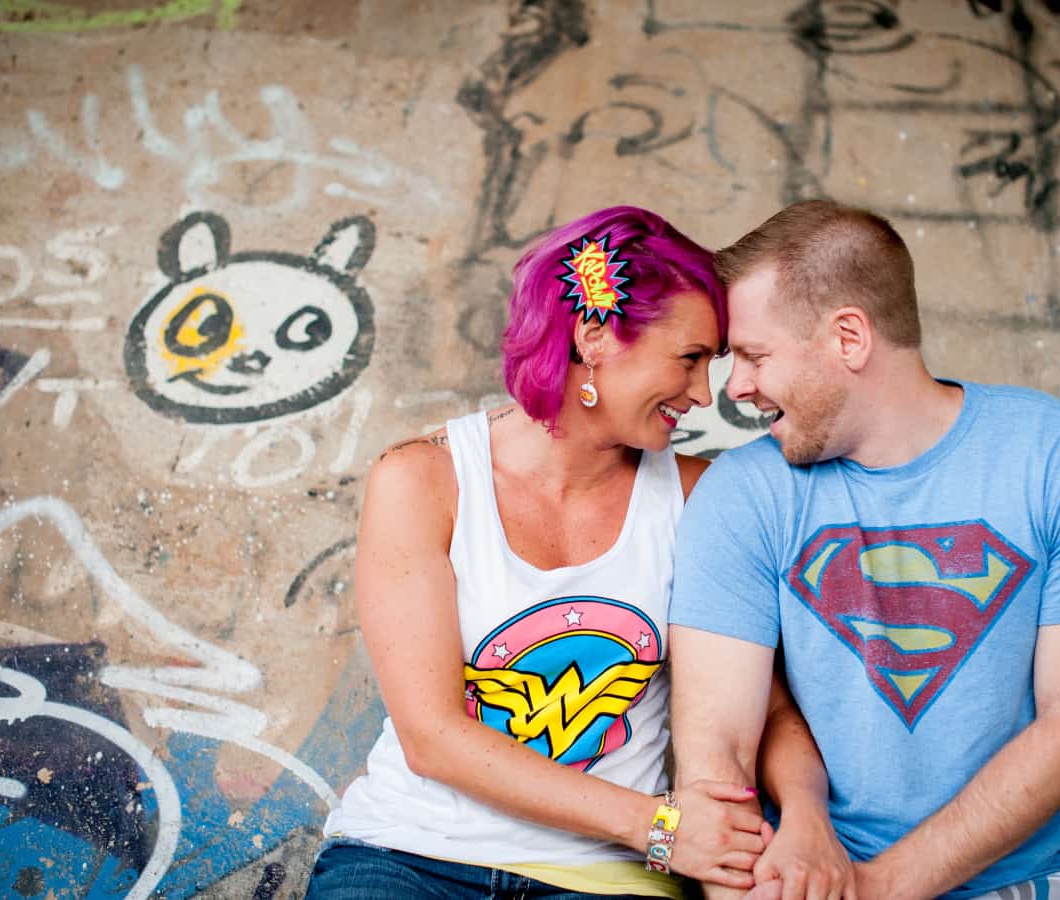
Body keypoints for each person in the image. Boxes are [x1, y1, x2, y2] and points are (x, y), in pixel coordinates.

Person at [667, 201, 1060, 900]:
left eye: (754, 355)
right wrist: (746, 888)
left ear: (848, 338)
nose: (736, 387)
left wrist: (873, 890)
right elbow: (717, 749)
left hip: (1013, 885)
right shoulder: (741, 492)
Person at [308, 206, 769, 900]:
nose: (704, 394)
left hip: (604, 877)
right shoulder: (422, 481)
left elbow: (764, 702)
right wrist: (661, 827)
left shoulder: (700, 498)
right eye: (690, 358)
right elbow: (432, 736)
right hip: (409, 857)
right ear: (593, 336)